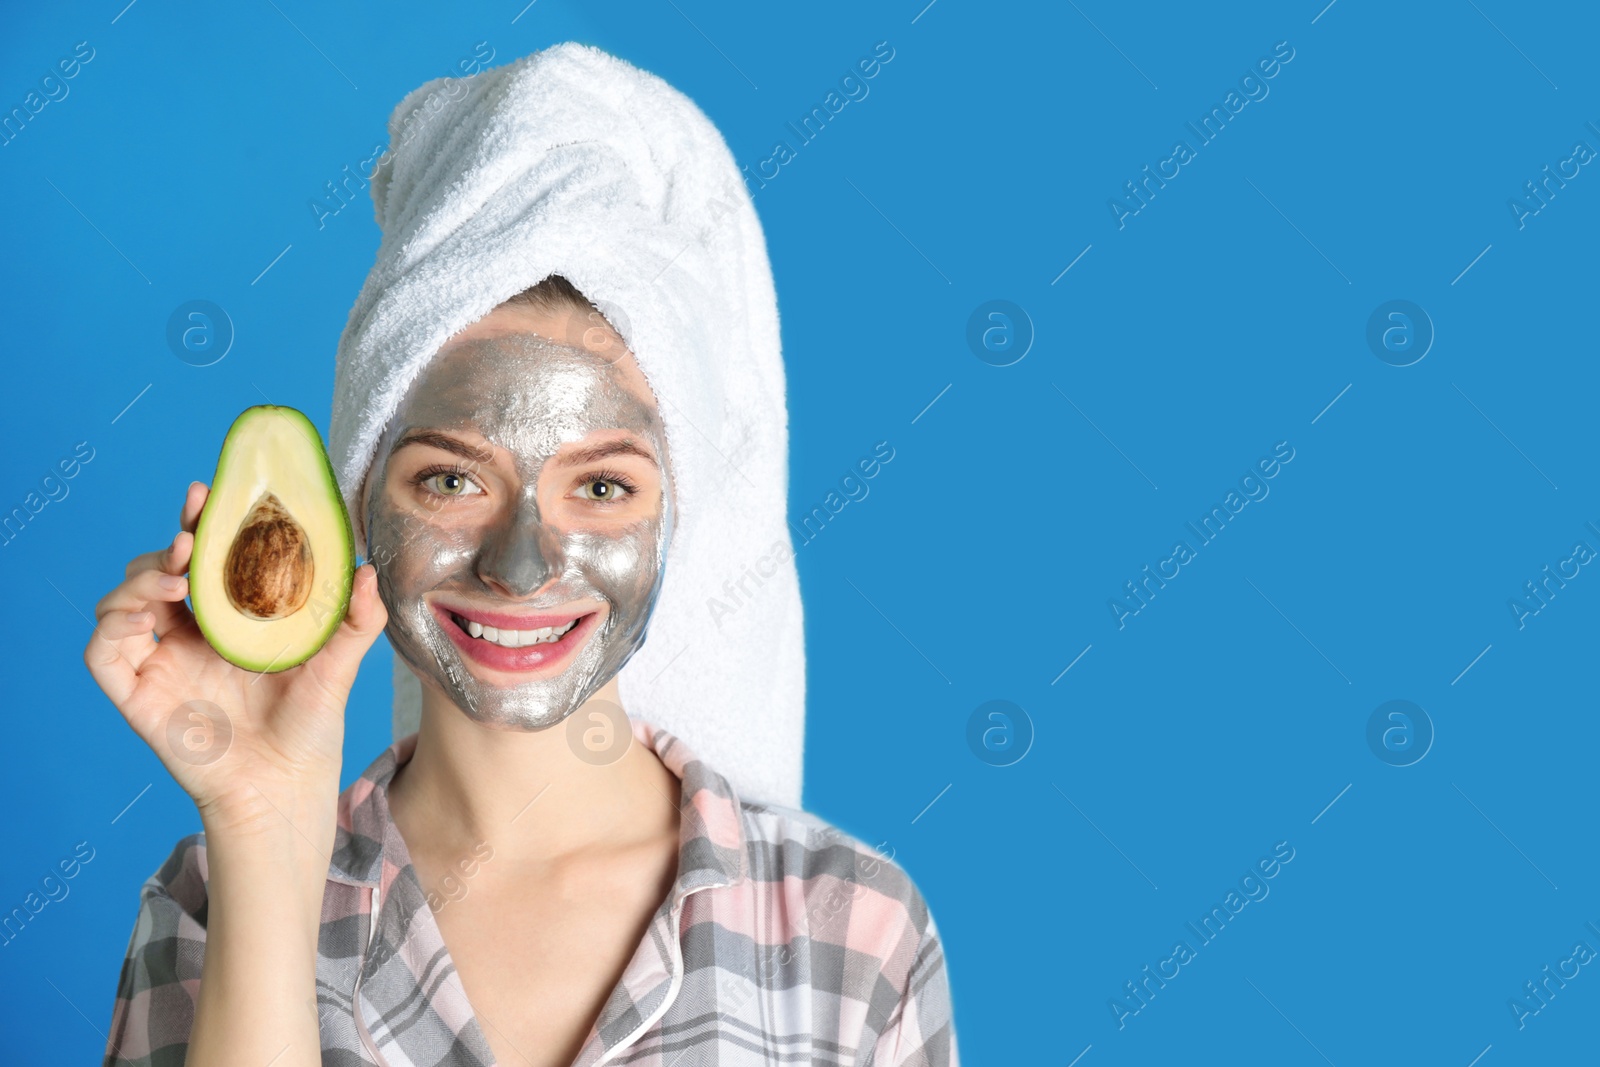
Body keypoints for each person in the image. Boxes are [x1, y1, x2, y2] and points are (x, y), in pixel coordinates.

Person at [90, 42, 958, 1067]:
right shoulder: (207, 900)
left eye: (600, 486)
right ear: (358, 499)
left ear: (680, 513)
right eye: (451, 479)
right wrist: (260, 818)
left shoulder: (851, 932)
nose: (521, 562)